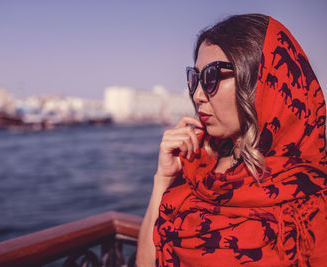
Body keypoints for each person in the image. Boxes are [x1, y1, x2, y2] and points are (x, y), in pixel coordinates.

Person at [136, 14, 327, 266]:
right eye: (195, 78)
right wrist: (162, 178)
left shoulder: (308, 198)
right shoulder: (197, 166)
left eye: (212, 76)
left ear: (262, 82)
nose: (198, 95)